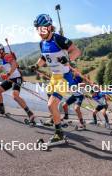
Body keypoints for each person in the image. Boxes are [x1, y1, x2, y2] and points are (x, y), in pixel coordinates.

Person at [31, 14, 81, 143]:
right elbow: (43, 58)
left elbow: (76, 51)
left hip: (65, 77)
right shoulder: (42, 44)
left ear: (48, 28)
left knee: (51, 104)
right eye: (38, 29)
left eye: (42, 29)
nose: (39, 32)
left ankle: (59, 134)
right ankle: (54, 117)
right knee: (49, 97)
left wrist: (68, 59)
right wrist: (36, 65)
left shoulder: (58, 39)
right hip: (54, 77)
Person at [0, 44, 35, 123]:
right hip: (10, 79)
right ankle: (1, 109)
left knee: (15, 96)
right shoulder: (3, 58)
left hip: (17, 78)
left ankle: (30, 113)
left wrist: (8, 74)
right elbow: (2, 66)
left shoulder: (7, 56)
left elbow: (14, 64)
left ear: (1, 51)